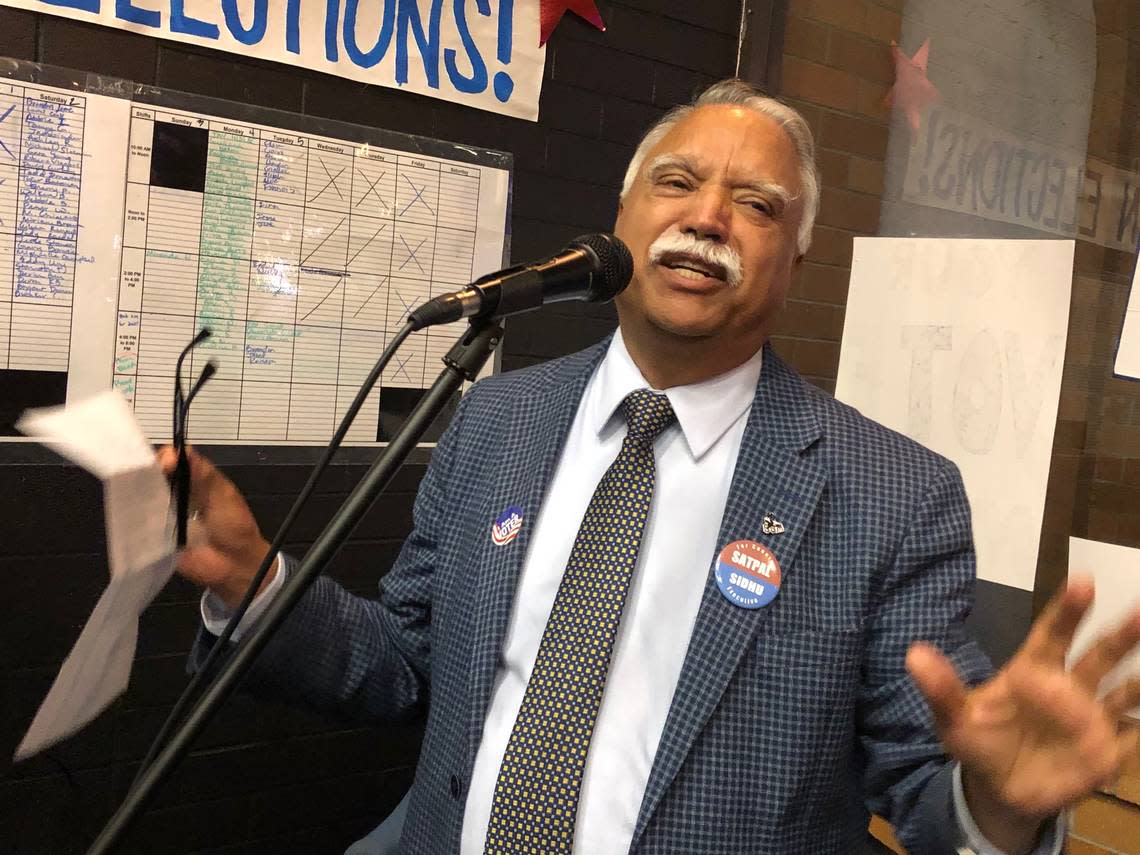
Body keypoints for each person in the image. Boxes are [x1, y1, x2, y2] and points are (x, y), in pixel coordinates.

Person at [162, 79, 1140, 855]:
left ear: (795, 262)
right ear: (622, 215)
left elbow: (930, 788)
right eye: (677, 182)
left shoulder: (891, 496)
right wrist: (258, 589)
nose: (709, 215)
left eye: (757, 204)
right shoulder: (495, 418)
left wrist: (996, 806)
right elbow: (409, 663)